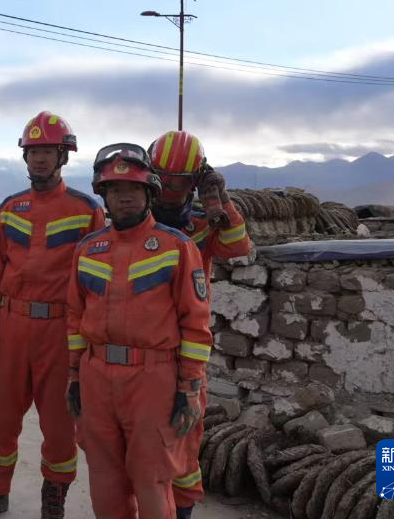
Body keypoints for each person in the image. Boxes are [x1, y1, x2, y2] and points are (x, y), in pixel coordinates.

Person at [0, 112, 105, 519]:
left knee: (59, 425)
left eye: (47, 152)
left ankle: (53, 498)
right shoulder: (8, 210)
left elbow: (92, 280)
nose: (39, 159)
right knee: (0, 417)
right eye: (33, 152)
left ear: (62, 156)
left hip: (60, 332)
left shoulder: (85, 210)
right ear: (25, 157)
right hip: (11, 327)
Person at [66, 143, 212, 519]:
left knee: (151, 480)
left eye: (132, 189)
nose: (124, 197)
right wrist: (74, 375)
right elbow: (75, 318)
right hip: (97, 377)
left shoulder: (176, 247)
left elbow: (195, 325)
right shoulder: (88, 249)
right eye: (115, 190)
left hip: (153, 380)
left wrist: (189, 388)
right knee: (104, 478)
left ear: (149, 193)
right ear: (104, 197)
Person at [147, 130, 250, 517]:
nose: (173, 189)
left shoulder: (205, 221)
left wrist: (220, 200)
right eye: (167, 179)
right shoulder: (133, 214)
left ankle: (183, 510)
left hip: (186, 342)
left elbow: (238, 247)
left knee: (186, 434)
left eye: (183, 181)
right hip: (143, 344)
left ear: (197, 181)